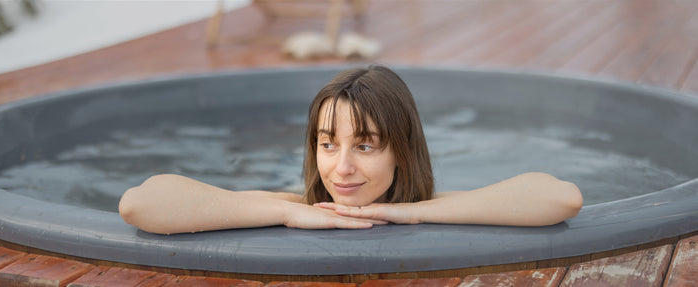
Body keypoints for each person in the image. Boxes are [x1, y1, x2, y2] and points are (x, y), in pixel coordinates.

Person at [118, 65, 583, 235]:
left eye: (364, 145)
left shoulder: (430, 207)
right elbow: (140, 203)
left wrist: (413, 213)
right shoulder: (290, 205)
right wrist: (290, 215)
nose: (341, 169)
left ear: (401, 151)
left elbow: (560, 198)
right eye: (327, 144)